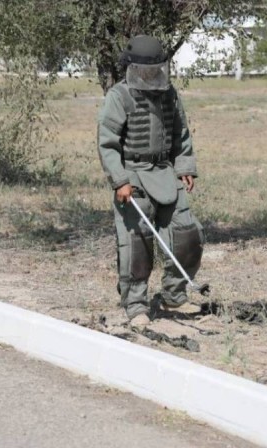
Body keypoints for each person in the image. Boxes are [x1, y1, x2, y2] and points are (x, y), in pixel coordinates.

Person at [97, 35, 205, 327]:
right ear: (132, 67)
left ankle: (173, 295)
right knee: (137, 243)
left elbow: (181, 133)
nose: (151, 74)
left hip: (165, 172)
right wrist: (119, 180)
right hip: (132, 176)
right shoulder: (118, 96)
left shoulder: (169, 93)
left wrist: (185, 166)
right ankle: (136, 305)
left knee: (188, 234)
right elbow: (107, 144)